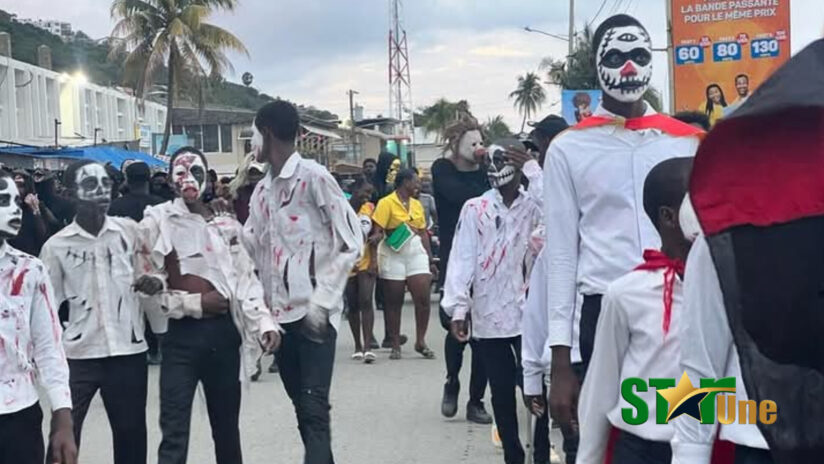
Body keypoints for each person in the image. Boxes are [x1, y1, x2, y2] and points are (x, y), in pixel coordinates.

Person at [542, 14, 703, 464]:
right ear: (596, 66)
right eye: (615, 57)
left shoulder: (687, 143)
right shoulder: (569, 149)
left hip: (683, 310)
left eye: (638, 55)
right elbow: (560, 257)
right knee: (602, 440)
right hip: (603, 319)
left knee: (687, 431)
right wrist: (560, 362)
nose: (629, 67)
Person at [134, 147, 280, 464]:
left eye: (196, 173)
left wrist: (264, 323)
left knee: (227, 432)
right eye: (181, 173)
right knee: (174, 433)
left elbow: (246, 280)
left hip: (224, 337)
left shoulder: (226, 226)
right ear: (170, 181)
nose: (189, 180)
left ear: (209, 180)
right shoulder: (156, 222)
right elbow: (148, 290)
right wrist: (198, 303)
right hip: (181, 339)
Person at [243, 101, 362, 464]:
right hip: (280, 321)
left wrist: (322, 302)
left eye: (253, 134)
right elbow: (252, 249)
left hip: (315, 318)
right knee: (305, 411)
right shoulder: (261, 192)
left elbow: (351, 242)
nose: (250, 143)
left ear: (267, 133)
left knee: (313, 407)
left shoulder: (314, 178)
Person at [576, 157, 693, 464]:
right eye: (698, 201)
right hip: (642, 448)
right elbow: (601, 386)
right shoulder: (627, 293)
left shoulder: (728, 288)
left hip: (703, 446)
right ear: (669, 217)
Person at [40, 160, 149, 464]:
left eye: (106, 184)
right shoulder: (56, 247)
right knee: (63, 440)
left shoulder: (130, 233)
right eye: (90, 184)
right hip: (78, 356)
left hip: (127, 352)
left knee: (131, 440)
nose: (101, 191)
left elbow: (153, 273)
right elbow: (46, 310)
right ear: (69, 192)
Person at [445, 140, 545, 464]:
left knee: (535, 389)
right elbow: (462, 258)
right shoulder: (475, 209)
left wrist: (533, 169)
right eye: (489, 160)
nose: (494, 167)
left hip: (530, 314)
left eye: (502, 160)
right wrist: (459, 308)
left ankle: (541, 454)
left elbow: (559, 214)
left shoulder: (535, 206)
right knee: (501, 393)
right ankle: (513, 455)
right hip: (489, 314)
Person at [0, 170, 77, 464]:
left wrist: (62, 414)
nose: (14, 209)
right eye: (3, 201)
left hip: (19, 414)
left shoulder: (30, 270)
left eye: (17, 202)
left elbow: (48, 347)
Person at [431, 117, 492, 423]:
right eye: (473, 143)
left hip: (487, 259)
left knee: (483, 334)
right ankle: (452, 380)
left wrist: (489, 167)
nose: (478, 148)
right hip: (455, 257)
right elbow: (462, 196)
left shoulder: (486, 172)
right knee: (454, 324)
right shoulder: (442, 169)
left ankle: (476, 400)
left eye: (481, 142)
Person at [371, 168, 437, 360]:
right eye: (415, 181)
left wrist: (430, 259)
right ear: (405, 182)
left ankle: (420, 341)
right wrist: (376, 244)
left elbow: (423, 232)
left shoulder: (416, 204)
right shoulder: (386, 203)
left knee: (423, 297)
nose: (418, 185)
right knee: (394, 300)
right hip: (393, 253)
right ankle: (395, 344)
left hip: (415, 251)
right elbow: (378, 230)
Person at [108, 161, 166, 365]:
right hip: (156, 267)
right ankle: (161, 351)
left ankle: (140, 350)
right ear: (149, 179)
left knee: (131, 311)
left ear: (127, 180)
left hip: (126, 266)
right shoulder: (160, 206)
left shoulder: (115, 206)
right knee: (159, 311)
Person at [345, 176, 378, 363]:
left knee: (366, 300)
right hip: (347, 262)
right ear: (355, 190)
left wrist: (374, 259)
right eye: (366, 192)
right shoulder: (341, 208)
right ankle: (357, 346)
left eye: (370, 193)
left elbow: (377, 231)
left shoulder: (370, 208)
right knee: (353, 304)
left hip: (366, 259)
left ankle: (368, 347)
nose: (368, 196)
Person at [9, 169, 59, 255]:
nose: (16, 190)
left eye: (20, 186)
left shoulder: (37, 205)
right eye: (14, 185)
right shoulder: (5, 206)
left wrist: (35, 211)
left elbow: (44, 237)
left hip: (30, 255)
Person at [229, 153, 266, 225]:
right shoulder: (240, 193)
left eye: (258, 173)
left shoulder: (272, 191)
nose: (255, 176)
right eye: (252, 172)